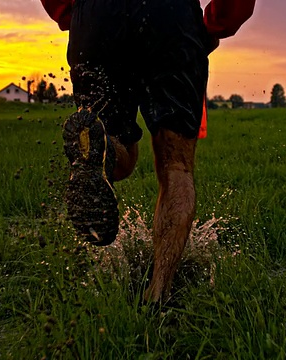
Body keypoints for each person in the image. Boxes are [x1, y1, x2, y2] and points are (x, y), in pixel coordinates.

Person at [41, 0, 255, 302]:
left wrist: (72, 12)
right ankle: (158, 294)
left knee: (115, 149)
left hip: (96, 15)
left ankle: (100, 149)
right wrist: (218, 24)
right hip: (170, 17)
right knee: (176, 166)